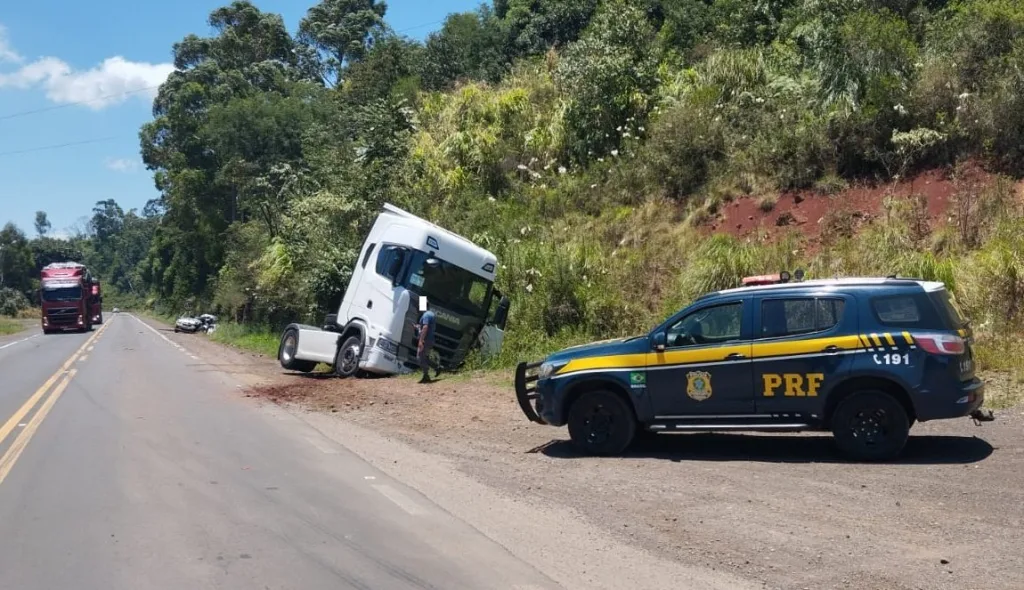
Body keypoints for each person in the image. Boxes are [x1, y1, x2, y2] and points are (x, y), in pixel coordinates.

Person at [416, 296, 438, 383]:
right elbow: (426, 327)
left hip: (426, 340)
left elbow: (425, 327)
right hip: (430, 339)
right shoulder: (431, 314)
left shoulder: (425, 315)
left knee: (420, 357)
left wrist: (421, 341)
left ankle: (426, 376)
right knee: (424, 357)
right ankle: (437, 368)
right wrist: (418, 327)